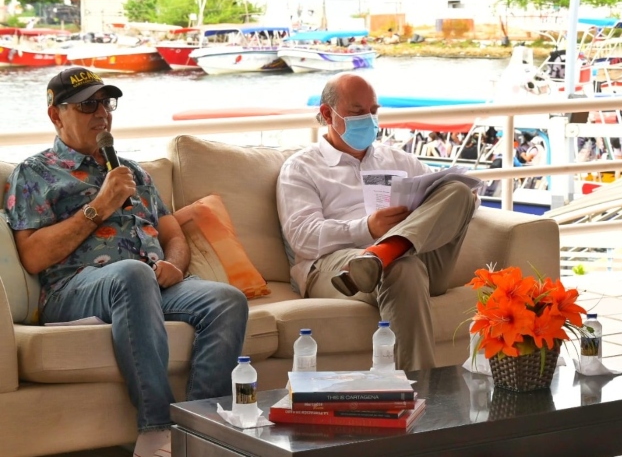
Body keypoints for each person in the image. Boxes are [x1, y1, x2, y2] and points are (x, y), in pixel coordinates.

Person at [3, 68, 248, 457]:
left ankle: (199, 430)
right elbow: (32, 256)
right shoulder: (34, 173)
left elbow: (173, 235)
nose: (102, 114)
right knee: (132, 274)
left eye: (106, 103)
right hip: (77, 288)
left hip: (150, 284)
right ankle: (156, 429)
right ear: (56, 115)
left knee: (227, 300)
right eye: (88, 105)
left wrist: (175, 264)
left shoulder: (133, 172)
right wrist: (100, 205)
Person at [277, 73, 477, 372]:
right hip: (341, 265)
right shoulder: (302, 167)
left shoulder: (399, 160)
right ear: (327, 114)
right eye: (358, 113)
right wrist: (368, 228)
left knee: (459, 190)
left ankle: (384, 252)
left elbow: (461, 205)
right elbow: (303, 237)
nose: (369, 120)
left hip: (418, 257)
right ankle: (421, 392)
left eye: (374, 111)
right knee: (401, 268)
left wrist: (420, 217)